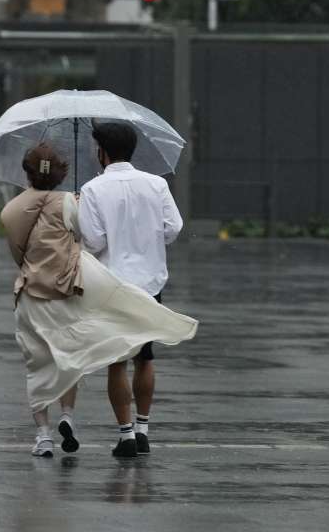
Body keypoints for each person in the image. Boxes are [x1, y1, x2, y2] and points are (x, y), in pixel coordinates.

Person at [2, 142, 196, 458]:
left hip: (30, 292)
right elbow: (87, 238)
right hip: (84, 286)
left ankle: (46, 436)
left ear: (27, 171)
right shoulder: (73, 201)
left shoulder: (10, 210)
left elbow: (19, 253)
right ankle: (124, 425)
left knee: (39, 363)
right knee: (76, 357)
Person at [78, 121, 184, 459]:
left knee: (116, 362)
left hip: (113, 284)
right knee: (145, 357)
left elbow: (93, 241)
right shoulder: (156, 184)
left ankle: (124, 435)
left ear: (102, 152)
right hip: (151, 282)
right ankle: (143, 430)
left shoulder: (93, 190)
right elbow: (173, 229)